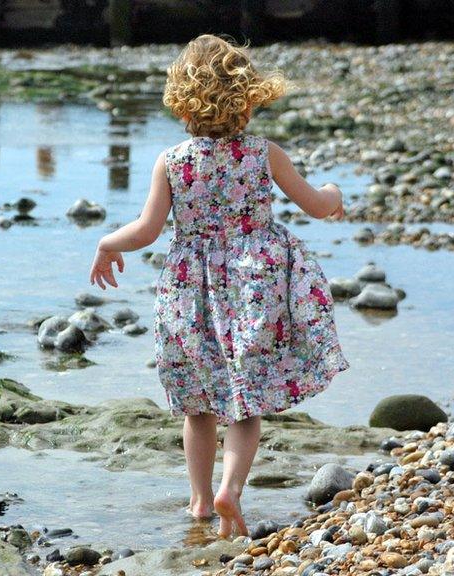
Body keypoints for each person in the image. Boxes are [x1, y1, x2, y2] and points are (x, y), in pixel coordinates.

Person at [89, 34, 349, 538]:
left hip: (192, 291)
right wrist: (334, 193)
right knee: (244, 402)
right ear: (247, 98)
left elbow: (146, 230)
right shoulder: (262, 153)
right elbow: (316, 205)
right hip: (255, 286)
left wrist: (106, 242)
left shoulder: (173, 161)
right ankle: (233, 487)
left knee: (198, 404)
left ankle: (201, 501)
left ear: (182, 100)